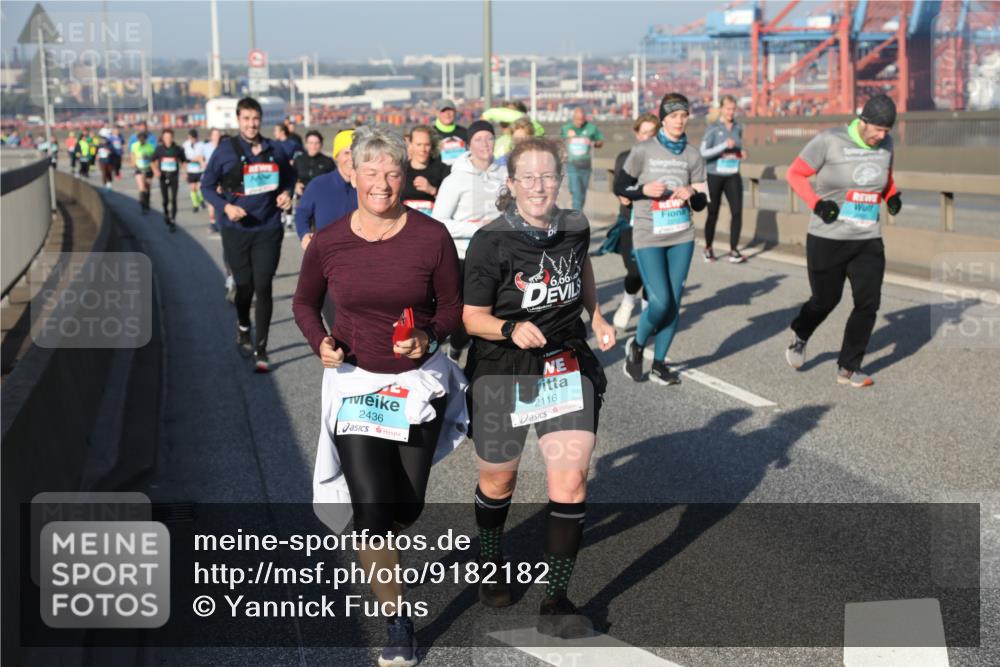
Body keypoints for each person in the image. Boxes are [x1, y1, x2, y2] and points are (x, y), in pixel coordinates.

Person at [292, 125, 464, 667]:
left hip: (416, 384)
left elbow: (452, 307)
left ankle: (388, 539)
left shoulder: (431, 237)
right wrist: (321, 341)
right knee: (371, 513)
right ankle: (397, 620)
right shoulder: (330, 241)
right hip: (356, 384)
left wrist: (429, 337)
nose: (382, 184)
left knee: (405, 507)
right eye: (371, 172)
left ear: (404, 176)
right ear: (353, 175)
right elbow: (303, 303)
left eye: (392, 173)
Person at [462, 136, 615, 638]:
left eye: (547, 176)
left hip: (564, 364)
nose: (538, 186)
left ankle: (556, 600)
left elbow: (582, 266)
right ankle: (490, 562)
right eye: (527, 177)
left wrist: (597, 314)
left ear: (560, 179)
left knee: (570, 482)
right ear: (511, 184)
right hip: (504, 365)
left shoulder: (576, 224)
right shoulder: (490, 240)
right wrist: (509, 328)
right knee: (498, 482)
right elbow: (472, 317)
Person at [784, 94, 900, 388]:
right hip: (828, 236)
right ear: (863, 122)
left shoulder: (886, 144)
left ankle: (849, 367)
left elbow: (885, 177)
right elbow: (795, 174)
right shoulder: (829, 140)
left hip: (867, 237)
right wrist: (817, 204)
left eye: (887, 130)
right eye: (877, 129)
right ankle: (801, 332)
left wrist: (891, 195)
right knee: (825, 300)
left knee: (868, 303)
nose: (881, 136)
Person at [616, 92, 709, 385]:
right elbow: (620, 186)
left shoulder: (693, 155)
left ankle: (659, 363)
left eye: (684, 116)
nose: (679, 121)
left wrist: (692, 192)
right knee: (660, 301)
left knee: (674, 302)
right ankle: (637, 346)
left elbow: (702, 202)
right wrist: (643, 190)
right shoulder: (643, 151)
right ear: (663, 119)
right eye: (673, 116)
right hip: (649, 235)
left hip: (681, 236)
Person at [201, 96, 295, 373]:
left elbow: (290, 176)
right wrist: (226, 207)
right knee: (245, 288)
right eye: (246, 119)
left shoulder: (274, 149)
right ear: (238, 120)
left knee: (263, 286)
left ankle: (261, 350)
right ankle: (243, 327)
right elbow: (207, 186)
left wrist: (286, 193)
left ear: (260, 120)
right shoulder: (225, 151)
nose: (251, 124)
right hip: (236, 230)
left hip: (268, 228)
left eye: (255, 119)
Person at [431, 119, 507, 360]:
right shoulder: (455, 179)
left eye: (489, 138)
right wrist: (477, 229)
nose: (485, 144)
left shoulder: (505, 174)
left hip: (499, 256)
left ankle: (485, 362)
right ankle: (455, 349)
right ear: (468, 145)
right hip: (464, 256)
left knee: (496, 313)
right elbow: (439, 222)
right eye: (478, 139)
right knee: (466, 319)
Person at [607, 113, 660, 330]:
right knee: (636, 271)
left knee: (652, 273)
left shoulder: (664, 161)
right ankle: (628, 300)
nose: (648, 137)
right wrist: (622, 195)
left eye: (653, 133)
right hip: (630, 222)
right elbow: (617, 185)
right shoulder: (624, 157)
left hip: (656, 223)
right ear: (637, 134)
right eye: (644, 133)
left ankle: (647, 315)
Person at [700, 94, 748, 263]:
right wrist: (723, 146)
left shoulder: (738, 127)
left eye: (733, 109)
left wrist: (741, 152)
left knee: (737, 212)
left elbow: (737, 147)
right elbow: (703, 153)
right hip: (714, 176)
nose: (731, 112)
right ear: (721, 109)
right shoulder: (712, 128)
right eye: (728, 109)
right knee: (713, 213)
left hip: (732, 175)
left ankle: (734, 250)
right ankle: (708, 248)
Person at [296, 129, 357, 250]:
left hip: (359, 252)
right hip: (326, 252)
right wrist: (304, 234)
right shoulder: (318, 185)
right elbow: (302, 212)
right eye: (346, 153)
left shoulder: (368, 186)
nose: (351, 158)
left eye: (355, 153)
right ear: (336, 156)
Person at [400, 124, 450, 217]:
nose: (423, 149)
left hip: (434, 222)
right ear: (410, 144)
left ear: (431, 146)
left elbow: (451, 201)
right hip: (406, 223)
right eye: (418, 145)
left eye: (427, 145)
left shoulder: (443, 170)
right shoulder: (401, 170)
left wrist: (432, 190)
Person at [560, 107, 604, 211]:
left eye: (582, 119)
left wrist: (592, 142)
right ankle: (576, 215)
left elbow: (600, 142)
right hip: (572, 163)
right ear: (573, 118)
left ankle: (578, 212)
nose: (579, 122)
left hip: (586, 164)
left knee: (582, 192)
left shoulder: (591, 128)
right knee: (576, 192)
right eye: (577, 119)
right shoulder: (566, 128)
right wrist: (566, 140)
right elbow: (560, 142)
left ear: (585, 118)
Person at [151, 128, 186, 232]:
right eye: (165, 137)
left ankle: (173, 221)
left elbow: (183, 161)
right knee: (165, 200)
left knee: (174, 199)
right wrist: (155, 171)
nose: (167, 139)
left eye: (169, 137)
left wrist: (184, 172)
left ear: (172, 137)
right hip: (163, 177)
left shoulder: (178, 149)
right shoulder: (159, 149)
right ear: (162, 138)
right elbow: (152, 161)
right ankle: (166, 214)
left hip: (174, 176)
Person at [295, 130, 336, 196]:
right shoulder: (299, 160)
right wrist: (295, 185)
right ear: (306, 144)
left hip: (322, 195)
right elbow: (291, 178)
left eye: (317, 143)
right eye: (311, 143)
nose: (313, 146)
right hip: (302, 196)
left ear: (321, 145)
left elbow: (334, 180)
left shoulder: (328, 161)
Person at [431, 99, 468, 167]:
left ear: (455, 112)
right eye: (443, 111)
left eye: (450, 110)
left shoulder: (464, 132)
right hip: (437, 172)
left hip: (460, 171)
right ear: (437, 113)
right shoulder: (431, 133)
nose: (447, 114)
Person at [131, 130, 156, 214]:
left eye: (143, 139)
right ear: (138, 139)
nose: (141, 140)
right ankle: (143, 205)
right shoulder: (134, 145)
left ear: (146, 139)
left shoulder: (150, 146)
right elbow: (132, 154)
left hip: (148, 169)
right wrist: (133, 162)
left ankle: (147, 202)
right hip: (139, 169)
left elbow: (154, 157)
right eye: (140, 139)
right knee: (142, 188)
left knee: (147, 187)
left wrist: (148, 157)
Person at [183, 129, 206, 213]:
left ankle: (201, 200)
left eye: (194, 138)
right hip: (190, 170)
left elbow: (203, 157)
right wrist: (184, 172)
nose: (192, 140)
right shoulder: (185, 145)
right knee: (193, 188)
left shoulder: (202, 145)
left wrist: (199, 159)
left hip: (200, 170)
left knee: (200, 187)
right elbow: (184, 159)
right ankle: (195, 205)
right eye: (190, 138)